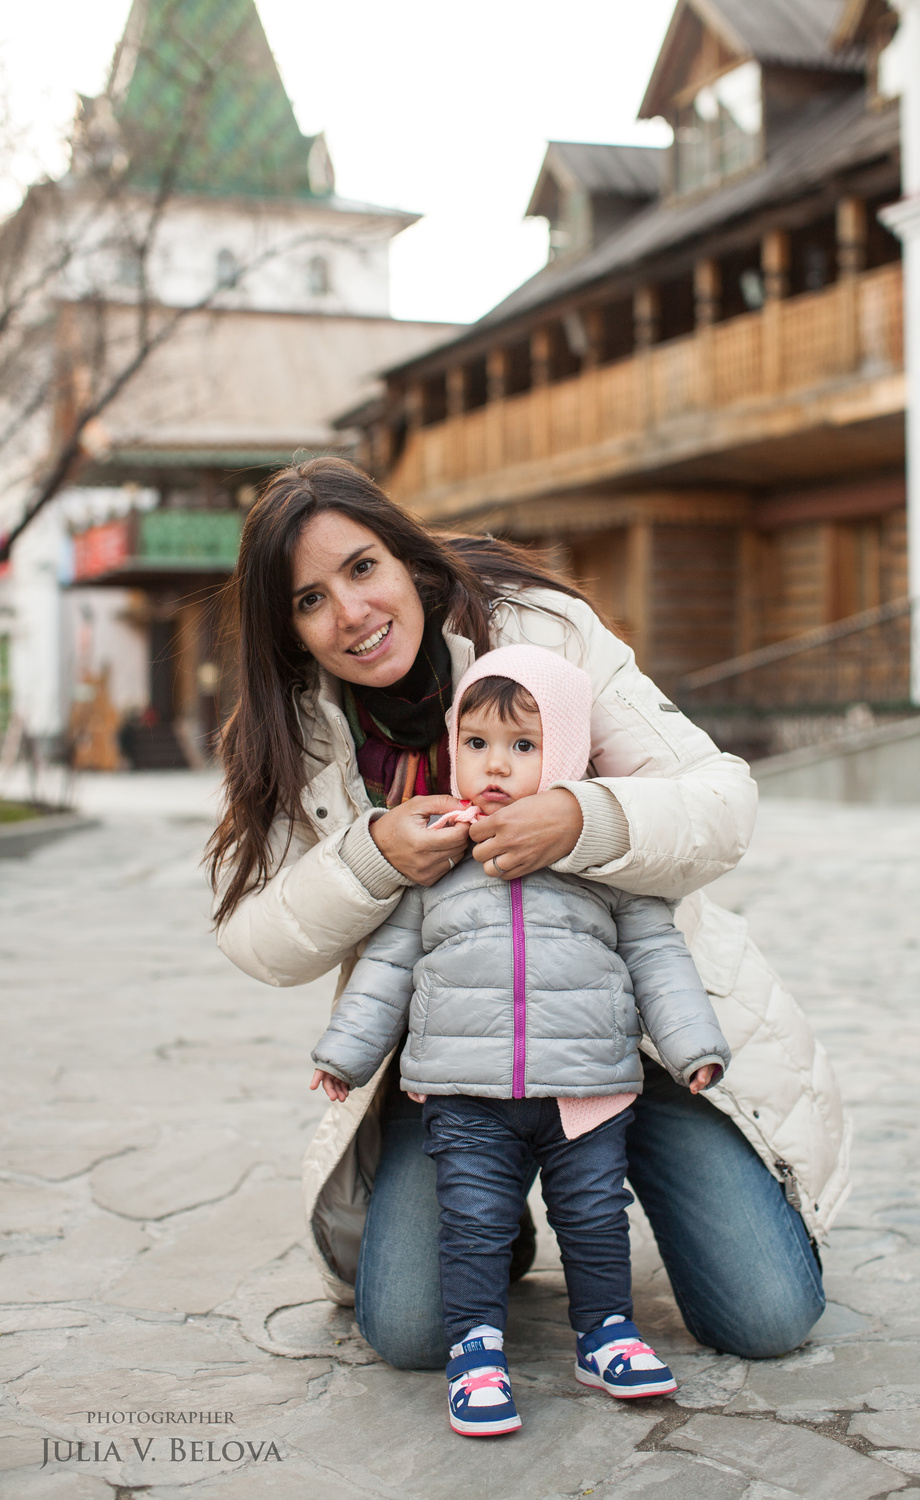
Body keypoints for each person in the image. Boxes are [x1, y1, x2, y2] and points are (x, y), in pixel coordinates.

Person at [208, 457, 846, 1374]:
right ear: (289, 630)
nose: (349, 613)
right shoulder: (290, 727)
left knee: (769, 1315)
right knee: (411, 1331)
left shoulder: (538, 630)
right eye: (309, 600)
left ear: (407, 559)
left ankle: (611, 1187)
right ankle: (492, 1212)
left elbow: (720, 801)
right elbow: (254, 937)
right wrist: (371, 855)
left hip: (619, 1041)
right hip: (458, 1065)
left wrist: (587, 817)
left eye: (360, 568)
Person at [310, 646, 732, 1435]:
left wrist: (691, 1043)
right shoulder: (437, 855)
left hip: (585, 1088)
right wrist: (346, 1053)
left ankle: (604, 1331)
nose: (495, 765)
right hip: (467, 1093)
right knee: (472, 1218)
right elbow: (390, 964)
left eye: (524, 746)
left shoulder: (599, 859)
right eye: (477, 744)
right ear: (453, 748)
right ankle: (476, 1345)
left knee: (596, 1213)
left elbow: (656, 952)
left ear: (565, 753)